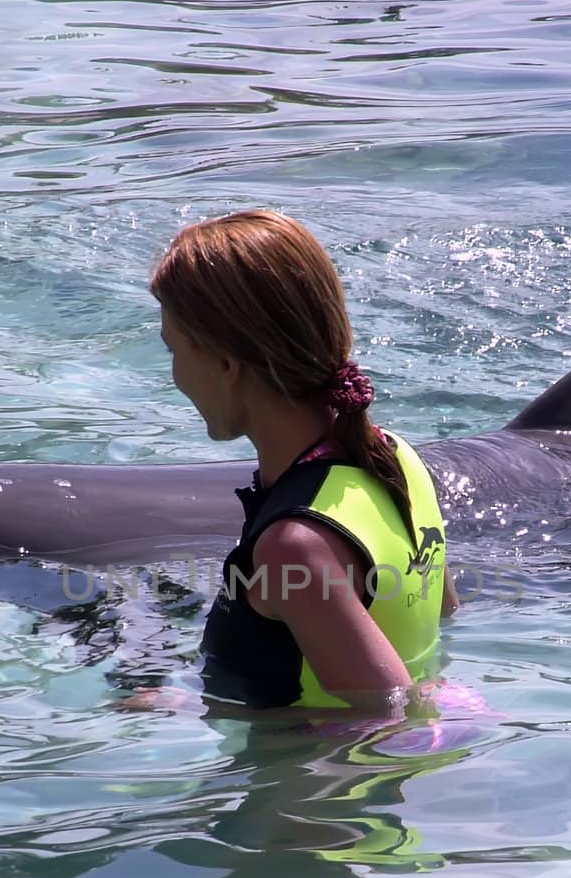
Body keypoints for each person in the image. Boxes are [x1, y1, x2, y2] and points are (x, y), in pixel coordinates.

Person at [149, 209, 458, 712]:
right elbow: (435, 624)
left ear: (227, 365)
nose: (175, 376)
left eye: (174, 351)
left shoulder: (295, 547)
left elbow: (391, 718)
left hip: (328, 789)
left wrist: (185, 708)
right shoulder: (397, 457)